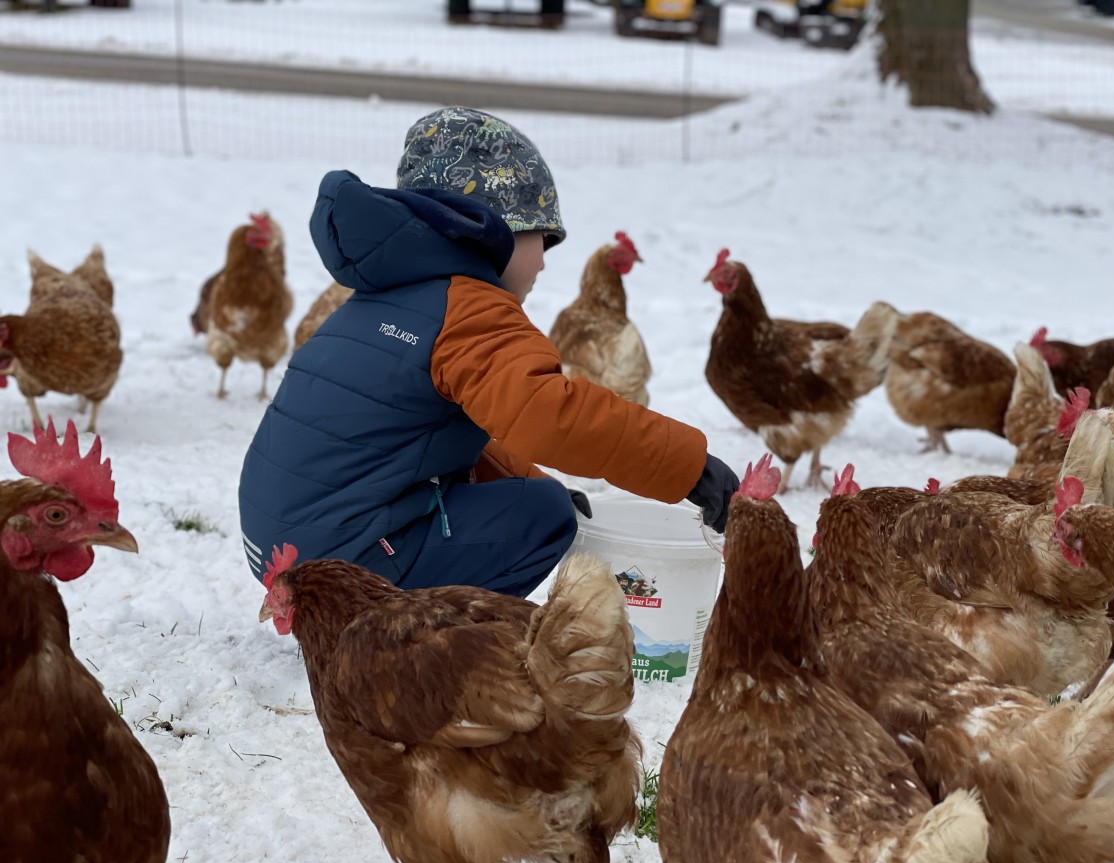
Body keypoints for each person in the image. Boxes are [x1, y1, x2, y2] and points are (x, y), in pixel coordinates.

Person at [238, 106, 739, 598]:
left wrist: (523, 479)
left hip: (280, 555)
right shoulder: (469, 307)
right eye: (541, 236)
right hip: (344, 569)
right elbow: (550, 414)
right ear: (488, 229)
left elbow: (452, 434)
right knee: (542, 516)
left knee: (532, 497)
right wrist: (691, 469)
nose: (544, 260)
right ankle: (420, 643)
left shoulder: (378, 300)